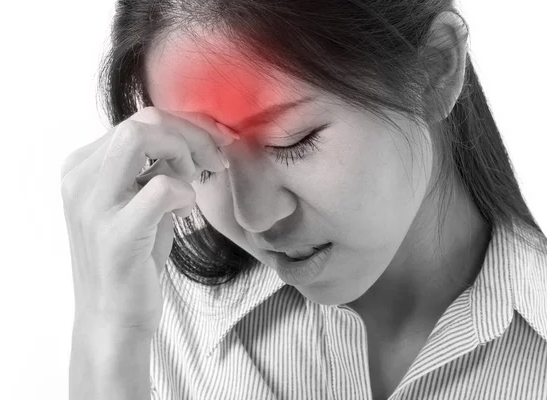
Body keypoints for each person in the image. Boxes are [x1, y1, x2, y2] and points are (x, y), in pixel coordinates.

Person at [61, 0, 547, 399]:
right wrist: (109, 342)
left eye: (291, 140)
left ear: (435, 70)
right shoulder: (157, 315)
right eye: (206, 162)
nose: (254, 217)